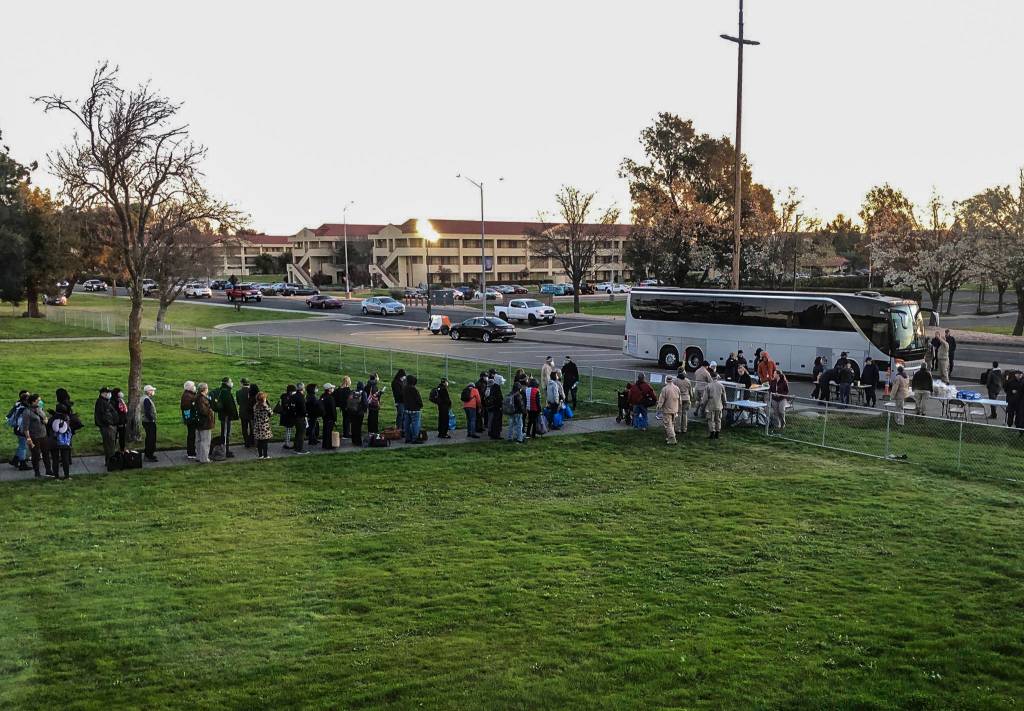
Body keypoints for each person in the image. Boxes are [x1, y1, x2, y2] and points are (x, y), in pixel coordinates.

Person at [48, 400, 75, 479]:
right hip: (65, 442)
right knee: (65, 459)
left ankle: (56, 477)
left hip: (53, 441)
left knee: (55, 460)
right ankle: (67, 476)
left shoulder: (52, 419)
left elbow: (48, 429)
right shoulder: (67, 419)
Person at [214, 378, 239, 458]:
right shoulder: (226, 392)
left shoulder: (222, 390)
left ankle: (225, 450)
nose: (232, 383)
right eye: (230, 381)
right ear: (227, 383)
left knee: (225, 433)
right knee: (225, 434)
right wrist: (233, 414)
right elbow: (229, 406)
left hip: (223, 415)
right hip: (226, 416)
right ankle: (224, 451)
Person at [7, 390, 30, 471]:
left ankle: (15, 460)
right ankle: (22, 464)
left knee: (21, 445)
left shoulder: (18, 404)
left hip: (17, 427)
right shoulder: (25, 407)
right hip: (22, 429)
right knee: (23, 446)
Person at [94, 386, 118, 460]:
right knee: (109, 445)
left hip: (108, 426)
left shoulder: (105, 402)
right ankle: (111, 461)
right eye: (108, 393)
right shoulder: (102, 402)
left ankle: (110, 460)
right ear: (103, 393)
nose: (109, 394)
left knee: (110, 444)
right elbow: (105, 415)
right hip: (107, 427)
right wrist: (110, 424)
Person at [656, 375, 681, 445]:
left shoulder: (665, 389)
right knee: (672, 424)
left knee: (668, 425)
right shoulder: (677, 388)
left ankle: (672, 439)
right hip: (675, 409)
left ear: (666, 380)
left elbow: (661, 399)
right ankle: (671, 436)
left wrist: (659, 406)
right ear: (672, 380)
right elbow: (679, 398)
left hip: (667, 410)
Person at [194, 383, 215, 463]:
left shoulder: (197, 397)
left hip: (199, 422)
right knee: (205, 441)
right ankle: (204, 458)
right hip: (205, 423)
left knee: (199, 440)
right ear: (204, 389)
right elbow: (204, 411)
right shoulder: (202, 399)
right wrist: (210, 410)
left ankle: (199, 456)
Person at [252, 391, 274, 459]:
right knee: (265, 442)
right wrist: (266, 404)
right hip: (264, 427)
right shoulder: (265, 406)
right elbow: (271, 413)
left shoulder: (255, 406)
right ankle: (265, 455)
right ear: (263, 399)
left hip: (257, 426)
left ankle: (260, 455)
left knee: (259, 442)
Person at [403, 375, 423, 444]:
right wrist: (420, 405)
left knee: (407, 424)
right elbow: (418, 399)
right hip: (415, 409)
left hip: (407, 408)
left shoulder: (404, 388)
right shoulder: (414, 389)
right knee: (415, 424)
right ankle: (415, 438)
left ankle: (407, 438)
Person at [180, 381, 198, 459]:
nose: (195, 387)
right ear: (189, 387)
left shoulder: (189, 395)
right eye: (193, 386)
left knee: (192, 435)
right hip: (191, 419)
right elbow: (186, 409)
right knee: (191, 435)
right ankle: (191, 452)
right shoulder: (187, 396)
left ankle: (192, 451)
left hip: (191, 418)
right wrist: (190, 418)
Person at [484, 374, 504, 440]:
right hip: (496, 407)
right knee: (496, 421)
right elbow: (499, 398)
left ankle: (492, 433)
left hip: (491, 407)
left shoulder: (490, 388)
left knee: (492, 420)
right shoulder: (497, 388)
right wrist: (501, 406)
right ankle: (496, 434)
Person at [141, 384, 158, 462]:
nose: (153, 392)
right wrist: (152, 419)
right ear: (148, 391)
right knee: (151, 438)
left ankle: (149, 454)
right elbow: (147, 411)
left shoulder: (144, 398)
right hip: (148, 422)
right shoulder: (146, 400)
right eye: (152, 390)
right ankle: (149, 455)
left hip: (146, 421)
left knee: (149, 438)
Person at [291, 382, 308, 454]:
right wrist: (306, 414)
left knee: (298, 433)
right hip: (300, 417)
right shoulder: (301, 397)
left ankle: (296, 447)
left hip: (294, 416)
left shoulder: (294, 396)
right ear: (302, 388)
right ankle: (299, 449)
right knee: (301, 433)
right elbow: (303, 409)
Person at [237, 378, 253, 448]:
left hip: (243, 412)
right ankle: (251, 441)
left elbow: (238, 402)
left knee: (244, 428)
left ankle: (246, 443)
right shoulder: (252, 391)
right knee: (252, 428)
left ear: (241, 383)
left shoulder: (238, 392)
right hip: (251, 412)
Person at [349, 381, 367, 447]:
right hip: (360, 413)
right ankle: (358, 441)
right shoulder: (363, 393)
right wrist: (365, 410)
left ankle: (353, 440)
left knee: (353, 426)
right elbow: (365, 403)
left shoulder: (353, 392)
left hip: (353, 412)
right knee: (358, 427)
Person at [279, 384, 297, 449]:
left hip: (284, 416)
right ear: (291, 391)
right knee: (288, 431)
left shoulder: (283, 396)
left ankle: (286, 443)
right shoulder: (289, 397)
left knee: (288, 430)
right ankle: (287, 444)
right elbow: (287, 406)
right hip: (288, 416)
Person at [111, 387, 128, 452]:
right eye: (119, 392)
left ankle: (122, 449)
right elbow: (116, 412)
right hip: (117, 422)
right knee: (115, 437)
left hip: (123, 422)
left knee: (122, 437)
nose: (121, 393)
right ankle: (113, 450)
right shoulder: (113, 401)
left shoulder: (120, 400)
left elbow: (124, 411)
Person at [320, 383, 337, 448]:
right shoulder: (330, 398)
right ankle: (328, 445)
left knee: (325, 430)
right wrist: (335, 419)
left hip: (325, 416)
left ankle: (324, 444)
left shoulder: (322, 396)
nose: (333, 389)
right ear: (329, 389)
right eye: (332, 388)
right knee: (329, 431)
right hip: (330, 417)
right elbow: (333, 410)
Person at [391, 369, 407, 434]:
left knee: (403, 415)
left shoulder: (402, 382)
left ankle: (403, 429)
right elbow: (398, 393)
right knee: (400, 415)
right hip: (399, 401)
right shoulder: (396, 382)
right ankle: (399, 429)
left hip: (403, 401)